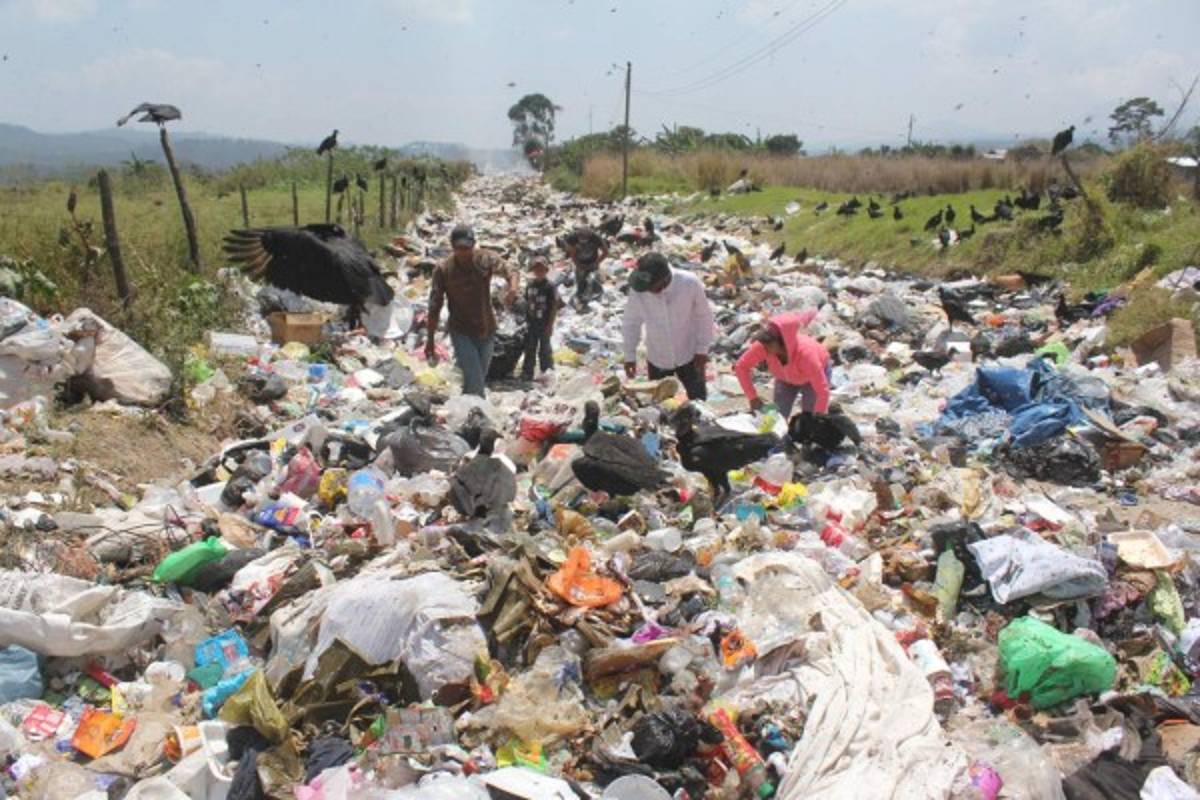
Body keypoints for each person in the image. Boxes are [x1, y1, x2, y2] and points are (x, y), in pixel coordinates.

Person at [426, 225, 518, 397]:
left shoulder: (484, 259)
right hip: (461, 331)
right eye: (459, 248)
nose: (464, 252)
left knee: (476, 380)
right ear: (452, 246)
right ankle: (478, 414)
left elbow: (510, 270)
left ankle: (467, 414)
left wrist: (512, 288)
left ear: (473, 245)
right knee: (476, 383)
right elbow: (434, 306)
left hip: (487, 329)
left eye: (467, 248)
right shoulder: (443, 270)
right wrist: (430, 340)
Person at [622, 252, 715, 401]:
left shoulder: (689, 283)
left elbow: (703, 316)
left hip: (689, 354)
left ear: (664, 280)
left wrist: (702, 349)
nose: (648, 292)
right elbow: (631, 322)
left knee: (698, 401)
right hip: (658, 356)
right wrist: (629, 355)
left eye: (652, 288)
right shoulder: (639, 289)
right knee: (661, 405)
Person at [734, 309, 831, 416]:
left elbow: (822, 391)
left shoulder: (806, 355)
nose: (765, 348)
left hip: (811, 378)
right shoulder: (763, 346)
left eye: (770, 344)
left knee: (810, 415)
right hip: (785, 378)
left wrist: (820, 415)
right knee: (778, 416)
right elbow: (741, 367)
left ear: (784, 343)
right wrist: (752, 397)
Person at [520, 256, 559, 381]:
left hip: (544, 322)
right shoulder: (530, 284)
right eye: (536, 269)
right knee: (530, 348)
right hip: (531, 322)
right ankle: (527, 372)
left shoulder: (550, 286)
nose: (539, 271)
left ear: (546, 270)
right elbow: (526, 302)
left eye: (541, 269)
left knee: (544, 349)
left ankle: (546, 371)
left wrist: (550, 325)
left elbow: (554, 307)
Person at [563, 225, 609, 308]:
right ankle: (581, 298)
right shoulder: (572, 238)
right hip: (580, 261)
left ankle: (594, 297)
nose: (583, 241)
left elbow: (605, 252)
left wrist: (596, 263)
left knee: (594, 280)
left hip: (593, 261)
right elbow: (572, 253)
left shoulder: (596, 238)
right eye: (581, 239)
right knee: (580, 281)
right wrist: (578, 265)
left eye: (585, 239)